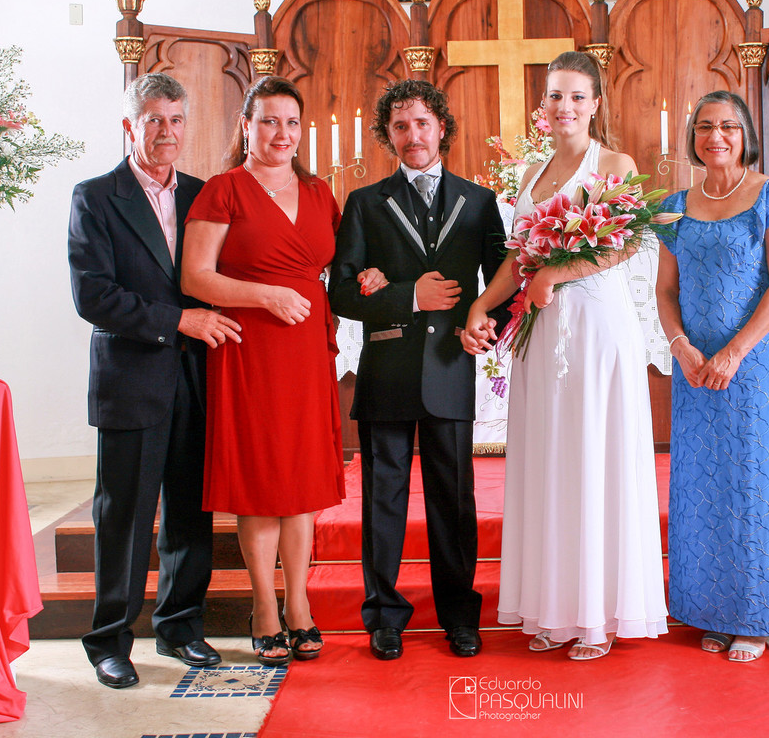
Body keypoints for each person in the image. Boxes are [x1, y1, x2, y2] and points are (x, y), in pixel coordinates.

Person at [462, 50, 669, 661]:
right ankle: (552, 608)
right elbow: (516, 259)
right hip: (541, 333)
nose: (565, 106)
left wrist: (560, 271)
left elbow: (626, 244)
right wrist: (482, 305)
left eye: (577, 96)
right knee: (549, 462)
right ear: (542, 104)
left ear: (596, 103)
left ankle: (597, 617)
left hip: (595, 329)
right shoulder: (532, 174)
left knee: (592, 458)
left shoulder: (615, 162)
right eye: (555, 95)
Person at [68, 72, 241, 689]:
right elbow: (94, 297)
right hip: (132, 377)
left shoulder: (204, 194)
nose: (166, 132)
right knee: (126, 515)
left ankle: (180, 628)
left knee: (191, 512)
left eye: (175, 120)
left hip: (197, 376)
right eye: (153, 121)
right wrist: (180, 320)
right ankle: (110, 641)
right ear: (129, 125)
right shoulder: (95, 196)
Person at [328, 80, 508, 661]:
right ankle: (384, 616)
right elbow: (342, 291)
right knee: (383, 499)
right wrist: (409, 295)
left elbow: (501, 285)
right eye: (400, 127)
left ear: (442, 129)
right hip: (388, 369)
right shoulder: (365, 202)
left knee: (453, 500)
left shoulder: (479, 202)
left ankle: (459, 614)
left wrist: (486, 324)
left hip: (452, 368)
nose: (413, 136)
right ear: (388, 135)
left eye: (422, 124)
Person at [181, 76, 344, 667]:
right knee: (260, 484)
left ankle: (299, 605)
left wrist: (374, 281)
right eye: (269, 121)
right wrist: (265, 297)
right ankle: (264, 607)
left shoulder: (321, 193)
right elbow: (196, 278)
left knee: (300, 486)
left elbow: (341, 267)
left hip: (305, 355)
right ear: (246, 126)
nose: (282, 133)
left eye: (292, 123)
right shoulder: (224, 190)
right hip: (251, 348)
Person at [654, 91, 769, 663]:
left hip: (754, 368)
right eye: (704, 127)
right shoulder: (674, 204)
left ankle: (756, 616)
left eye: (726, 126)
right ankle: (710, 611)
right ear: (692, 137)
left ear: (745, 133)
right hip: (693, 368)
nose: (715, 136)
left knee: (755, 484)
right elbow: (665, 290)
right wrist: (681, 346)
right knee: (701, 486)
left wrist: (734, 352)